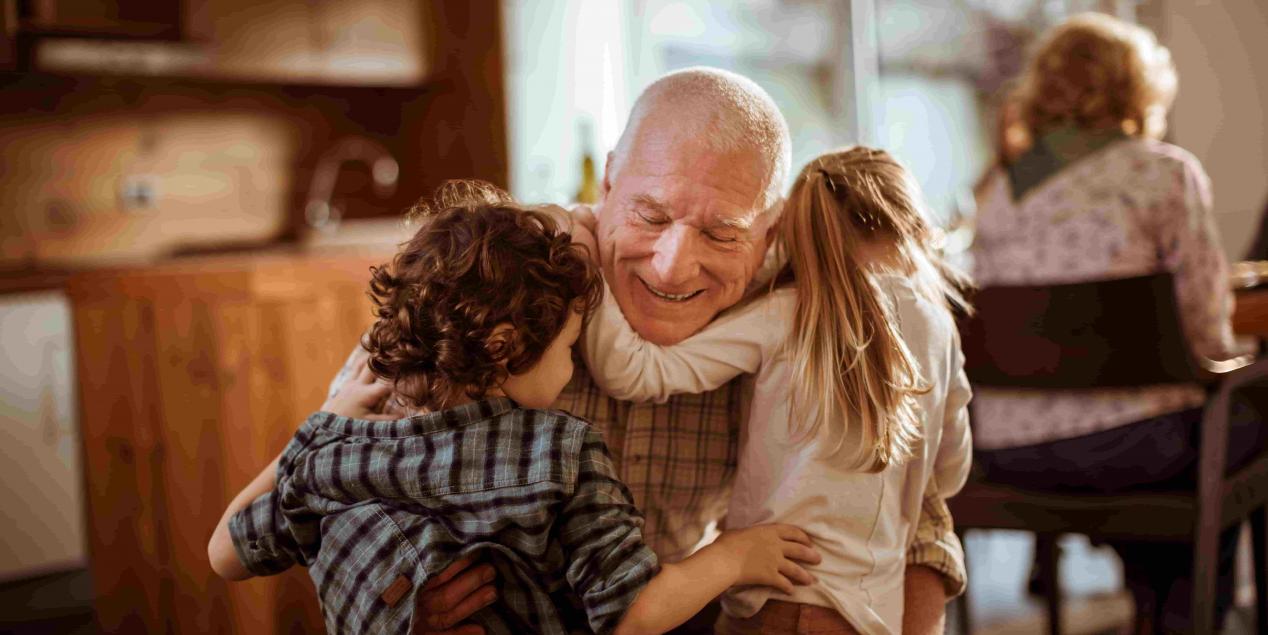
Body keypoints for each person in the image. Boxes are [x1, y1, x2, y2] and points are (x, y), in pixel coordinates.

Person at [328, 67, 967, 635]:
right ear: (608, 182)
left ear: (768, 233)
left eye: (722, 232)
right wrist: (396, 606)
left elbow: (920, 516)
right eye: (651, 217)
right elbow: (328, 483)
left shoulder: (793, 313)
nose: (672, 265)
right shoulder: (500, 279)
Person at [207, 185, 822, 634]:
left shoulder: (338, 449)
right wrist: (737, 555)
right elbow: (633, 613)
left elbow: (225, 555)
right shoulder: (559, 453)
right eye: (568, 348)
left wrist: (320, 429)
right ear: (506, 347)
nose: (573, 365)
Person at [574, 146, 973, 634]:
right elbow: (950, 474)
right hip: (873, 614)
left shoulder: (784, 313)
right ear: (911, 223)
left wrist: (584, 256)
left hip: (776, 599)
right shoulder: (939, 328)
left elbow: (630, 372)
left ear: (796, 233)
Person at [969, 13, 1264, 634]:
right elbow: (1206, 331)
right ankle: (1191, 619)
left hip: (1006, 450)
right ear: (1137, 91)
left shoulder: (996, 189)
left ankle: (1159, 610)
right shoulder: (1163, 172)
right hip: (1137, 450)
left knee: (1187, 433)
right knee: (1242, 416)